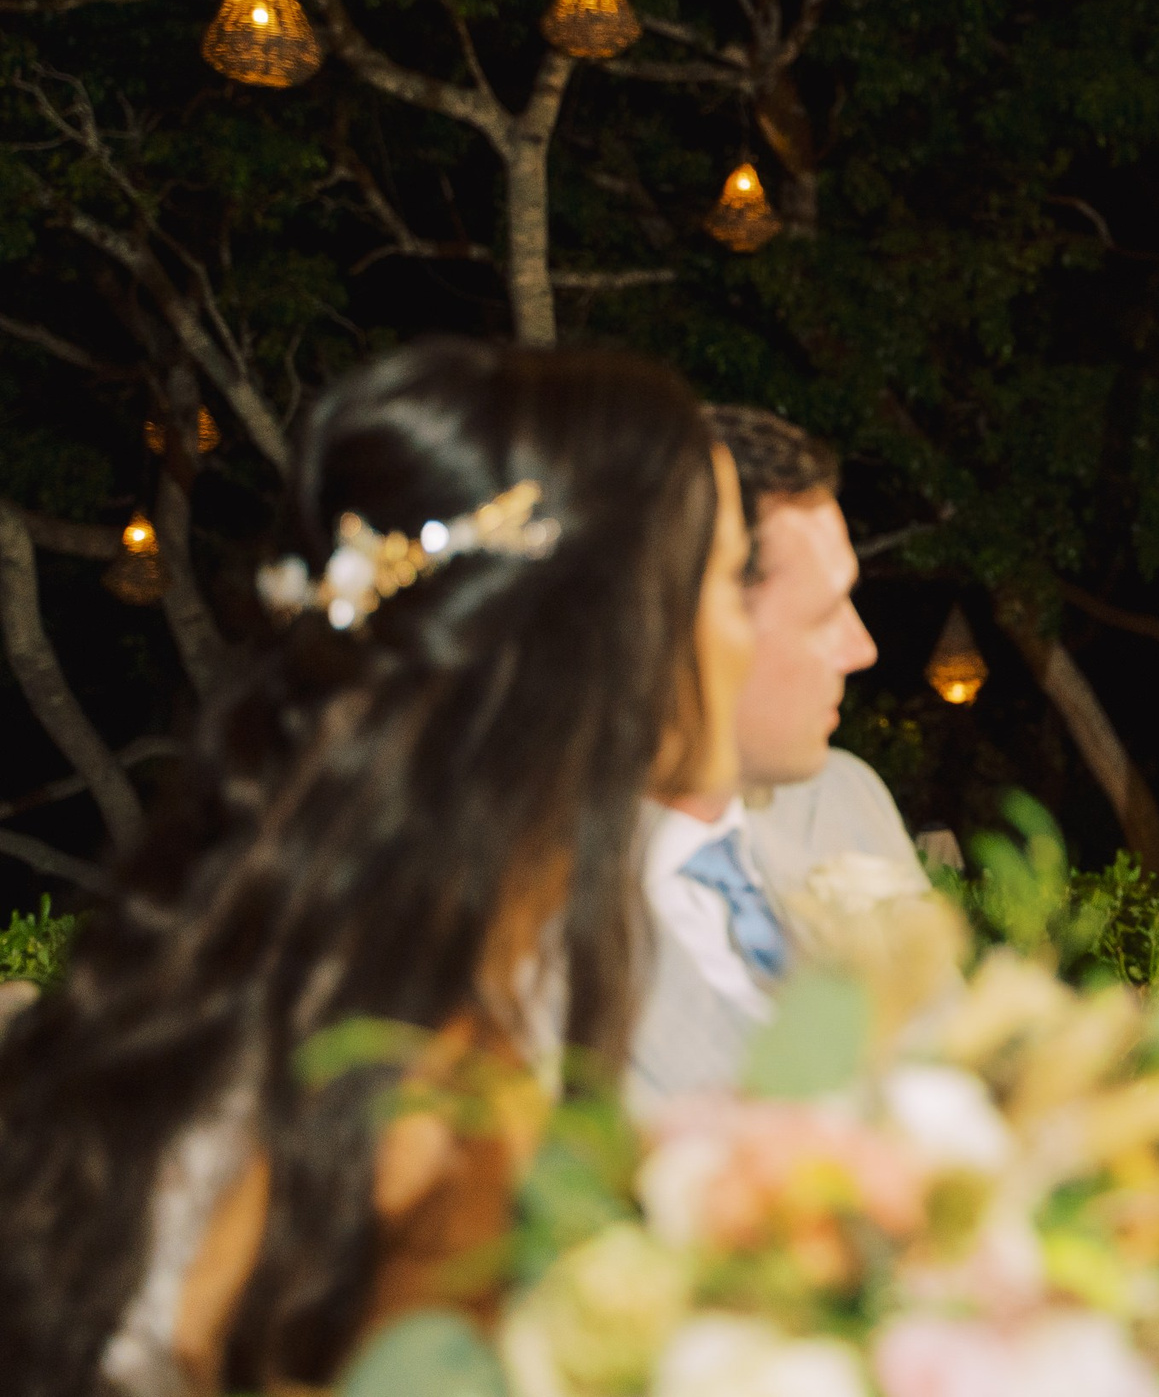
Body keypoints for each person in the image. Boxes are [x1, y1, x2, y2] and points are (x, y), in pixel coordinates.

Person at [0, 340, 753, 1396]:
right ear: (603, 640)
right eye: (727, 580)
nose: (747, 635)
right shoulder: (417, 1103)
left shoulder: (327, 955)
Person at [627, 405, 921, 1111]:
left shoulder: (847, 800)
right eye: (824, 614)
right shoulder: (520, 908)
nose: (862, 649)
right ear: (689, 624)